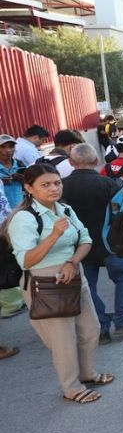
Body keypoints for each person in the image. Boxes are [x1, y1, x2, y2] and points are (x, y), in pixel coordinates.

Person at [5, 164, 113, 404]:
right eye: (45, 185)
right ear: (28, 188)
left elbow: (85, 240)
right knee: (63, 340)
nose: (53, 189)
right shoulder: (24, 218)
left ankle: (87, 373)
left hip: (73, 273)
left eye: (57, 183)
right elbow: (26, 259)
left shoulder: (64, 209)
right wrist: (53, 235)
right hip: (45, 282)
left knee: (91, 328)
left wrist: (72, 262)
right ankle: (72, 387)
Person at [61, 144, 123, 345]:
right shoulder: (109, 184)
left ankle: (100, 327)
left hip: (78, 246)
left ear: (71, 162)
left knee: (87, 287)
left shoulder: (60, 186)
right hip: (111, 243)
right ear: (96, 161)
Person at [0, 135, 28, 319]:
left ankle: (26, 288)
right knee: (8, 255)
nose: (8, 150)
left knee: (24, 249)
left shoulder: (18, 162)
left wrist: (22, 177)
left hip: (21, 209)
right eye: (4, 147)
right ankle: (15, 296)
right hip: (4, 217)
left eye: (11, 146)